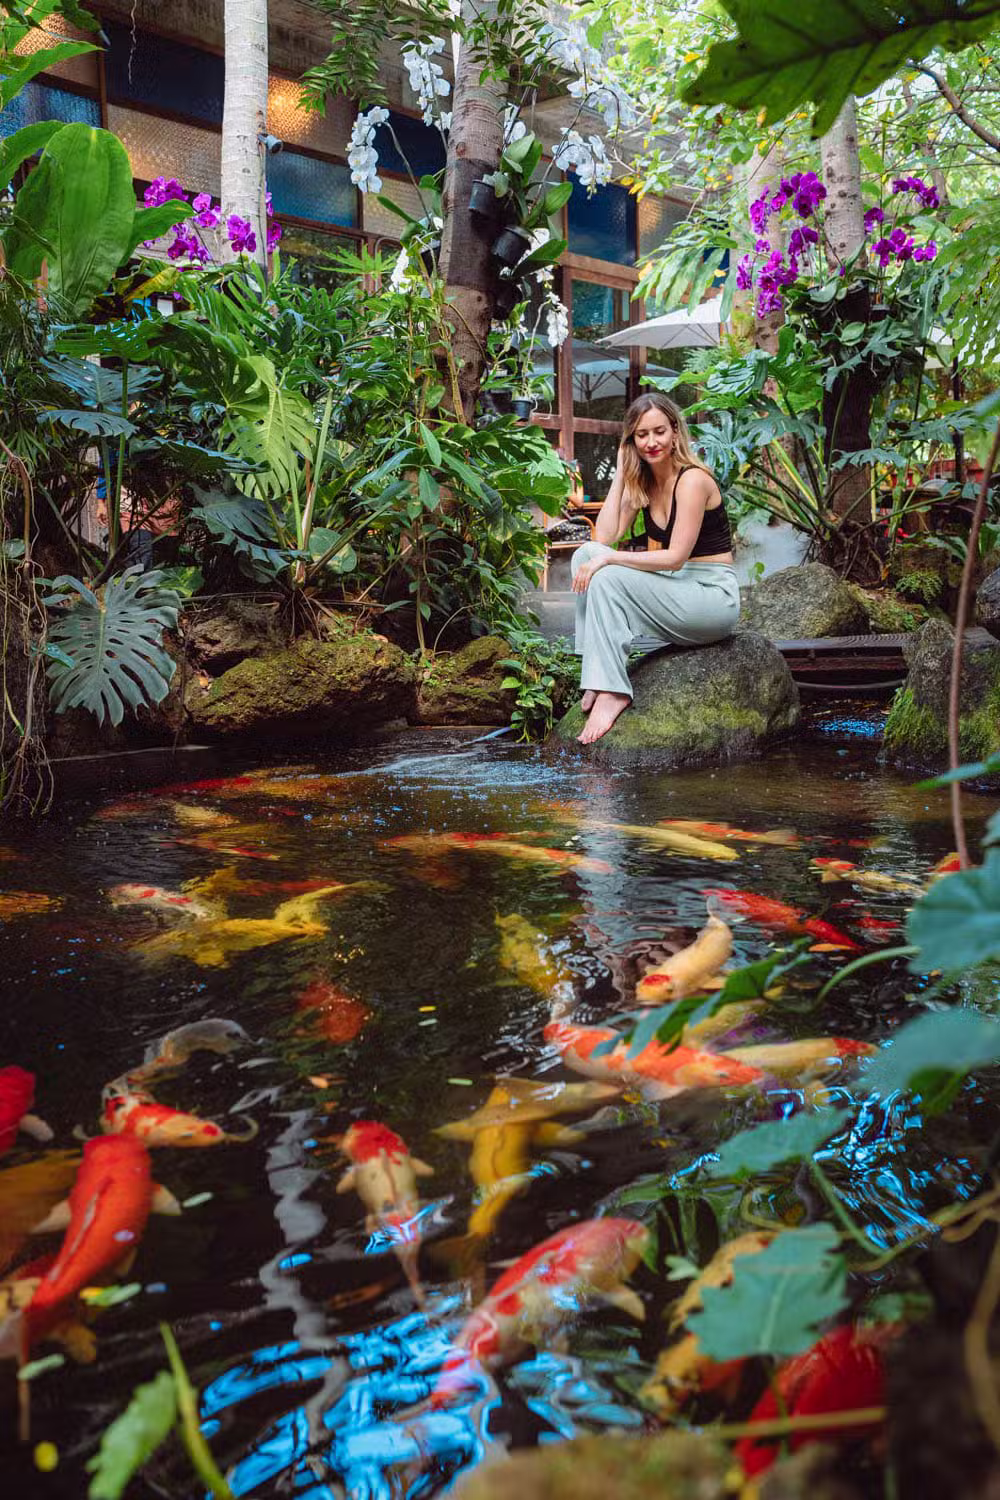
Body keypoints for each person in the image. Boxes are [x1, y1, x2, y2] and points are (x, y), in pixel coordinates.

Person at [571, 393, 739, 744]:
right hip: (677, 589)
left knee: (607, 570)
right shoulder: (643, 482)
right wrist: (621, 472)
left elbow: (675, 556)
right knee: (586, 554)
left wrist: (611, 558)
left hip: (711, 599)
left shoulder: (692, 480)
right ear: (631, 440)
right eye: (641, 435)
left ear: (675, 432)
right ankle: (596, 675)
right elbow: (604, 537)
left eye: (659, 431)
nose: (651, 442)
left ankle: (614, 690)